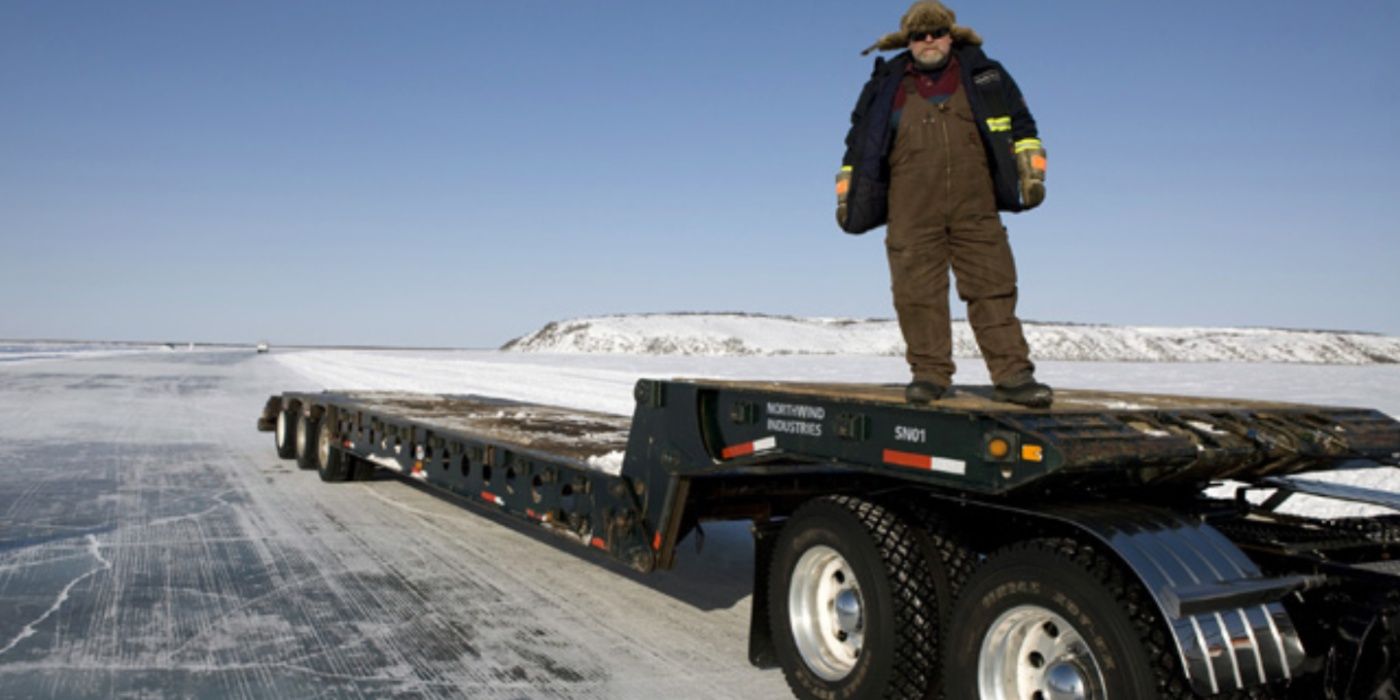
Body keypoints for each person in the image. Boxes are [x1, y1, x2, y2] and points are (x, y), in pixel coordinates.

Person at [836, 1, 1052, 407]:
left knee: (993, 288)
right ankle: (930, 375)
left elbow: (1023, 126)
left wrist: (1031, 171)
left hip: (976, 205)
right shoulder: (886, 85)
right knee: (917, 294)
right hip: (910, 207)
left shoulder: (986, 75)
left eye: (936, 32)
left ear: (952, 35)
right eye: (920, 35)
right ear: (909, 41)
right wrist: (848, 191)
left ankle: (1013, 376)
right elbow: (857, 141)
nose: (929, 40)